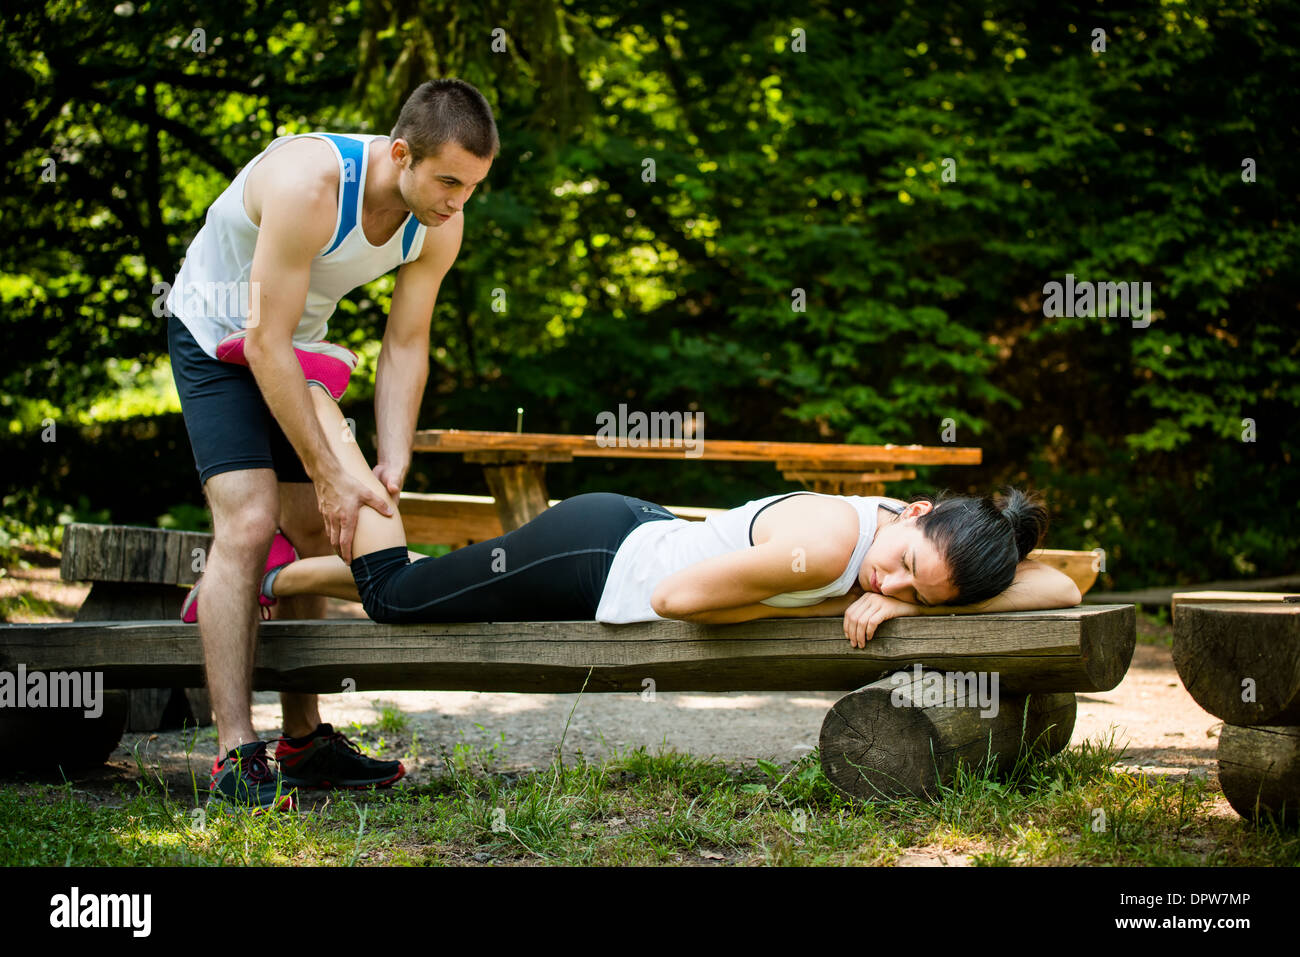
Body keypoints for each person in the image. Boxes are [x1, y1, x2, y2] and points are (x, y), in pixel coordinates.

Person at [236, 369, 1082, 665]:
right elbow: (678, 600)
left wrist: (907, 599)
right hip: (601, 558)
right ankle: (329, 432)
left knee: (425, 583)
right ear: (917, 510)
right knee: (396, 600)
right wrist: (844, 603)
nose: (887, 580)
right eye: (901, 564)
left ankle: (280, 575)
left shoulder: (919, 541)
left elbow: (1060, 589)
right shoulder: (830, 545)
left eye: (919, 594)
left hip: (633, 532)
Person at [166, 78, 497, 811]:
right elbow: (259, 338)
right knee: (250, 521)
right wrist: (322, 467)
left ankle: (304, 740)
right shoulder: (310, 183)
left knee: (324, 526)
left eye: (473, 186)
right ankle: (231, 753)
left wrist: (393, 456)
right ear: (401, 152)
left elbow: (406, 341)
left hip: (294, 341)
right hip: (219, 328)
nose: (457, 201)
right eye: (448, 180)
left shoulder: (439, 222)